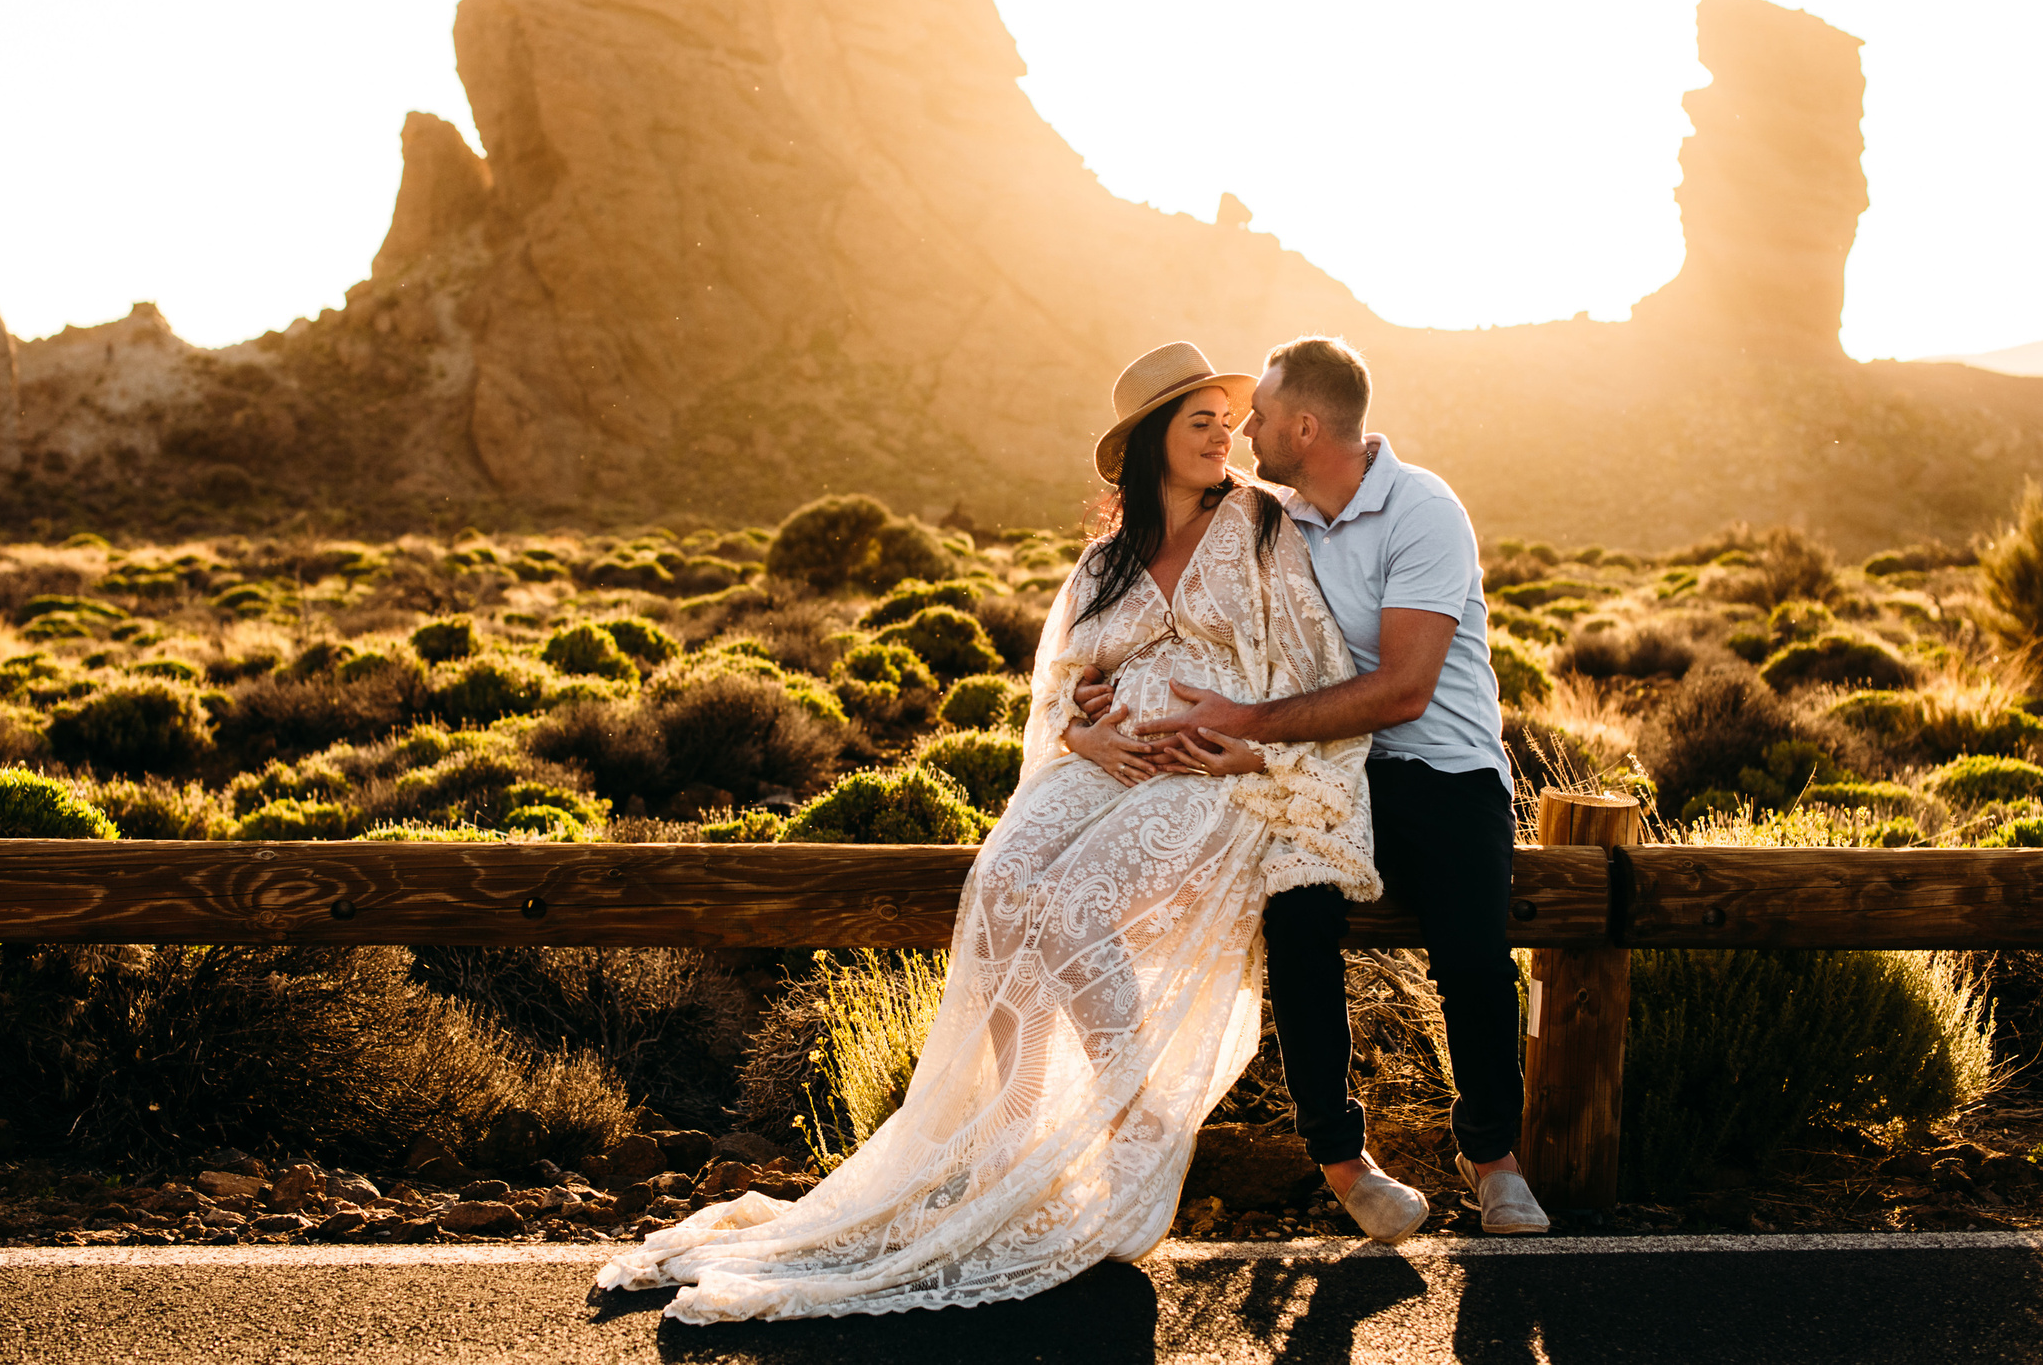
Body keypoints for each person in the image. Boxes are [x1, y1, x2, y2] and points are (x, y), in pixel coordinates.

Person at [596, 341, 1392, 1323]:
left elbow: (1313, 663)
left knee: (1072, 902)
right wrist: (1084, 734)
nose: (1224, 434)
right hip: (1104, 758)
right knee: (1005, 884)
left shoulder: (1263, 528)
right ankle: (1014, 1127)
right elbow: (1059, 688)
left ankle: (1136, 1124)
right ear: (1150, 442)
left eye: (1228, 421)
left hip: (1205, 762)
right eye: (1200, 421)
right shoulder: (1107, 560)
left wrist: (1255, 752)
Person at [1107, 334, 1549, 1235]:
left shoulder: (1424, 511)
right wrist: (1107, 679)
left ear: (1304, 426)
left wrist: (1246, 723)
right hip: (1325, 768)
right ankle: (1342, 1158)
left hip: (1445, 771)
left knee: (1470, 953)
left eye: (1259, 418)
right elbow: (1176, 582)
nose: (1244, 432)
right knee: (1297, 912)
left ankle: (1493, 1154)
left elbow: (1404, 688)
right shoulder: (1271, 514)